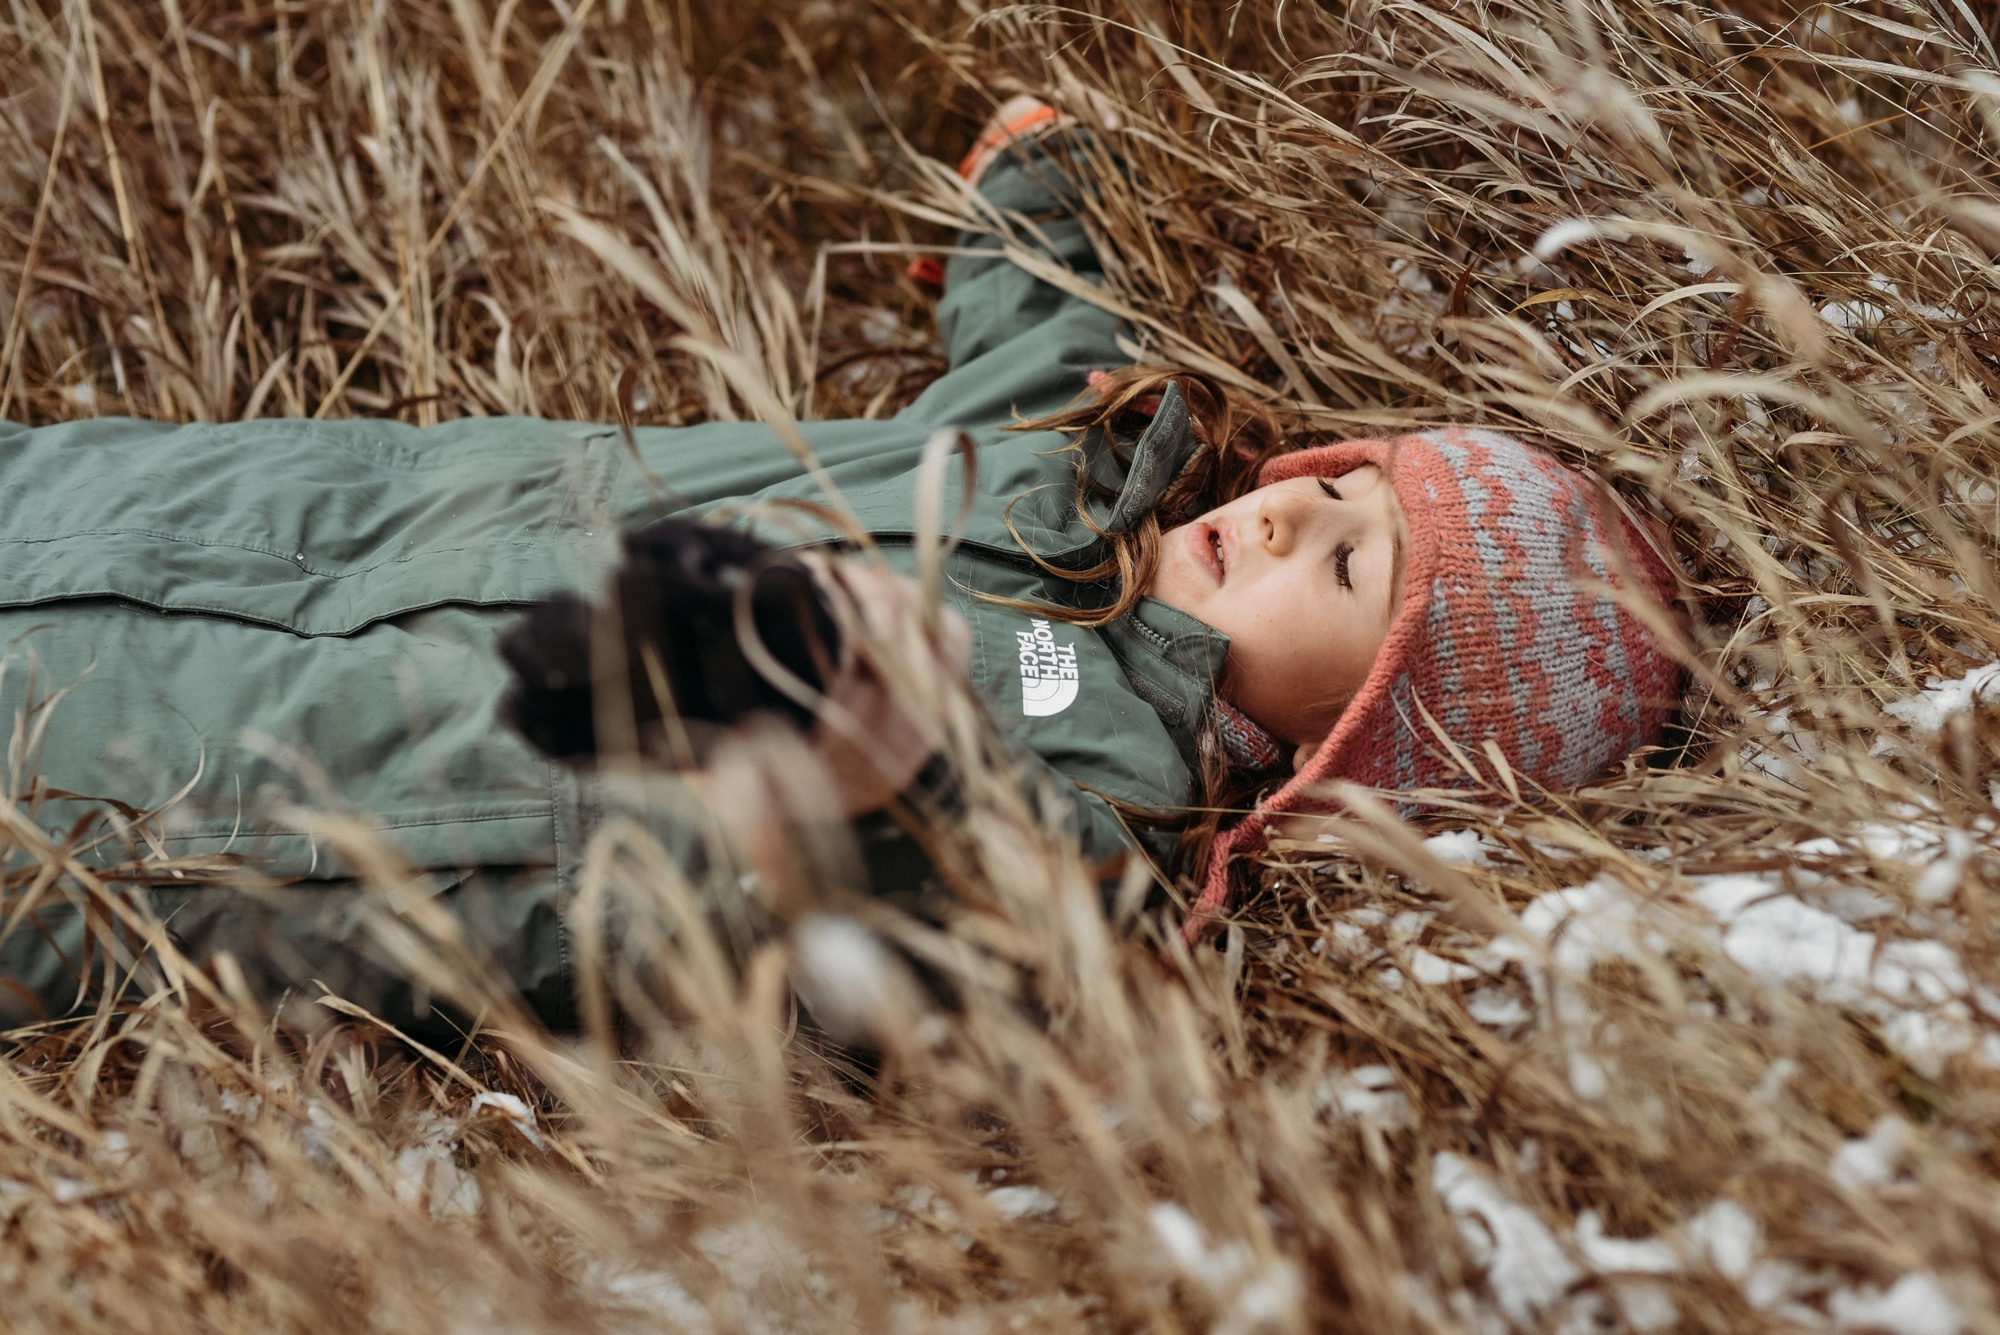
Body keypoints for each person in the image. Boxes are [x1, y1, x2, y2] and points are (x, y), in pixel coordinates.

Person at [0, 98, 1683, 1035]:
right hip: (239, 519)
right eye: (1344, 496)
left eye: (1347, 579)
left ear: (1354, 748)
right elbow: (1043, 308)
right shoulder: (1069, 468)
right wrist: (1042, 171)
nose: (1291, 523)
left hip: (227, 803)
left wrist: (902, 765)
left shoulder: (1112, 816)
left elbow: (994, 925)